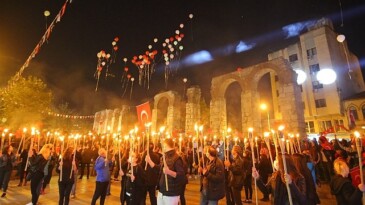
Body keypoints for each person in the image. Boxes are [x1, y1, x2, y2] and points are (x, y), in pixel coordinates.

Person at [145, 138, 186, 205]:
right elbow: (159, 169)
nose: (162, 147)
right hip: (162, 191)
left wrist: (169, 172)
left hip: (171, 194)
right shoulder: (165, 157)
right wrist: (149, 161)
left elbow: (181, 176)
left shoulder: (176, 158)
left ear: (166, 145)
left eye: (163, 145)